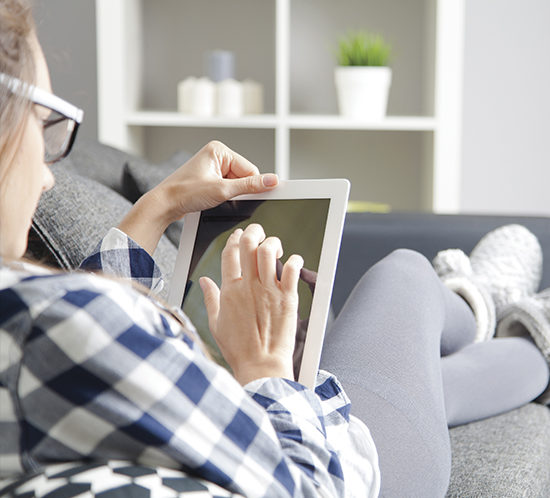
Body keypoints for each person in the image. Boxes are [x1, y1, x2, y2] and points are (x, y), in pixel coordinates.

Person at [0, 1, 549, 496]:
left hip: (296, 421)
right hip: (346, 466)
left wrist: (160, 204)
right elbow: (310, 486)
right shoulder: (50, 326)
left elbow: (95, 367)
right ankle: (491, 305)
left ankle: (516, 326)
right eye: (47, 125)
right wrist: (264, 364)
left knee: (433, 390)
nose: (48, 176)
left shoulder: (35, 320)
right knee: (404, 275)